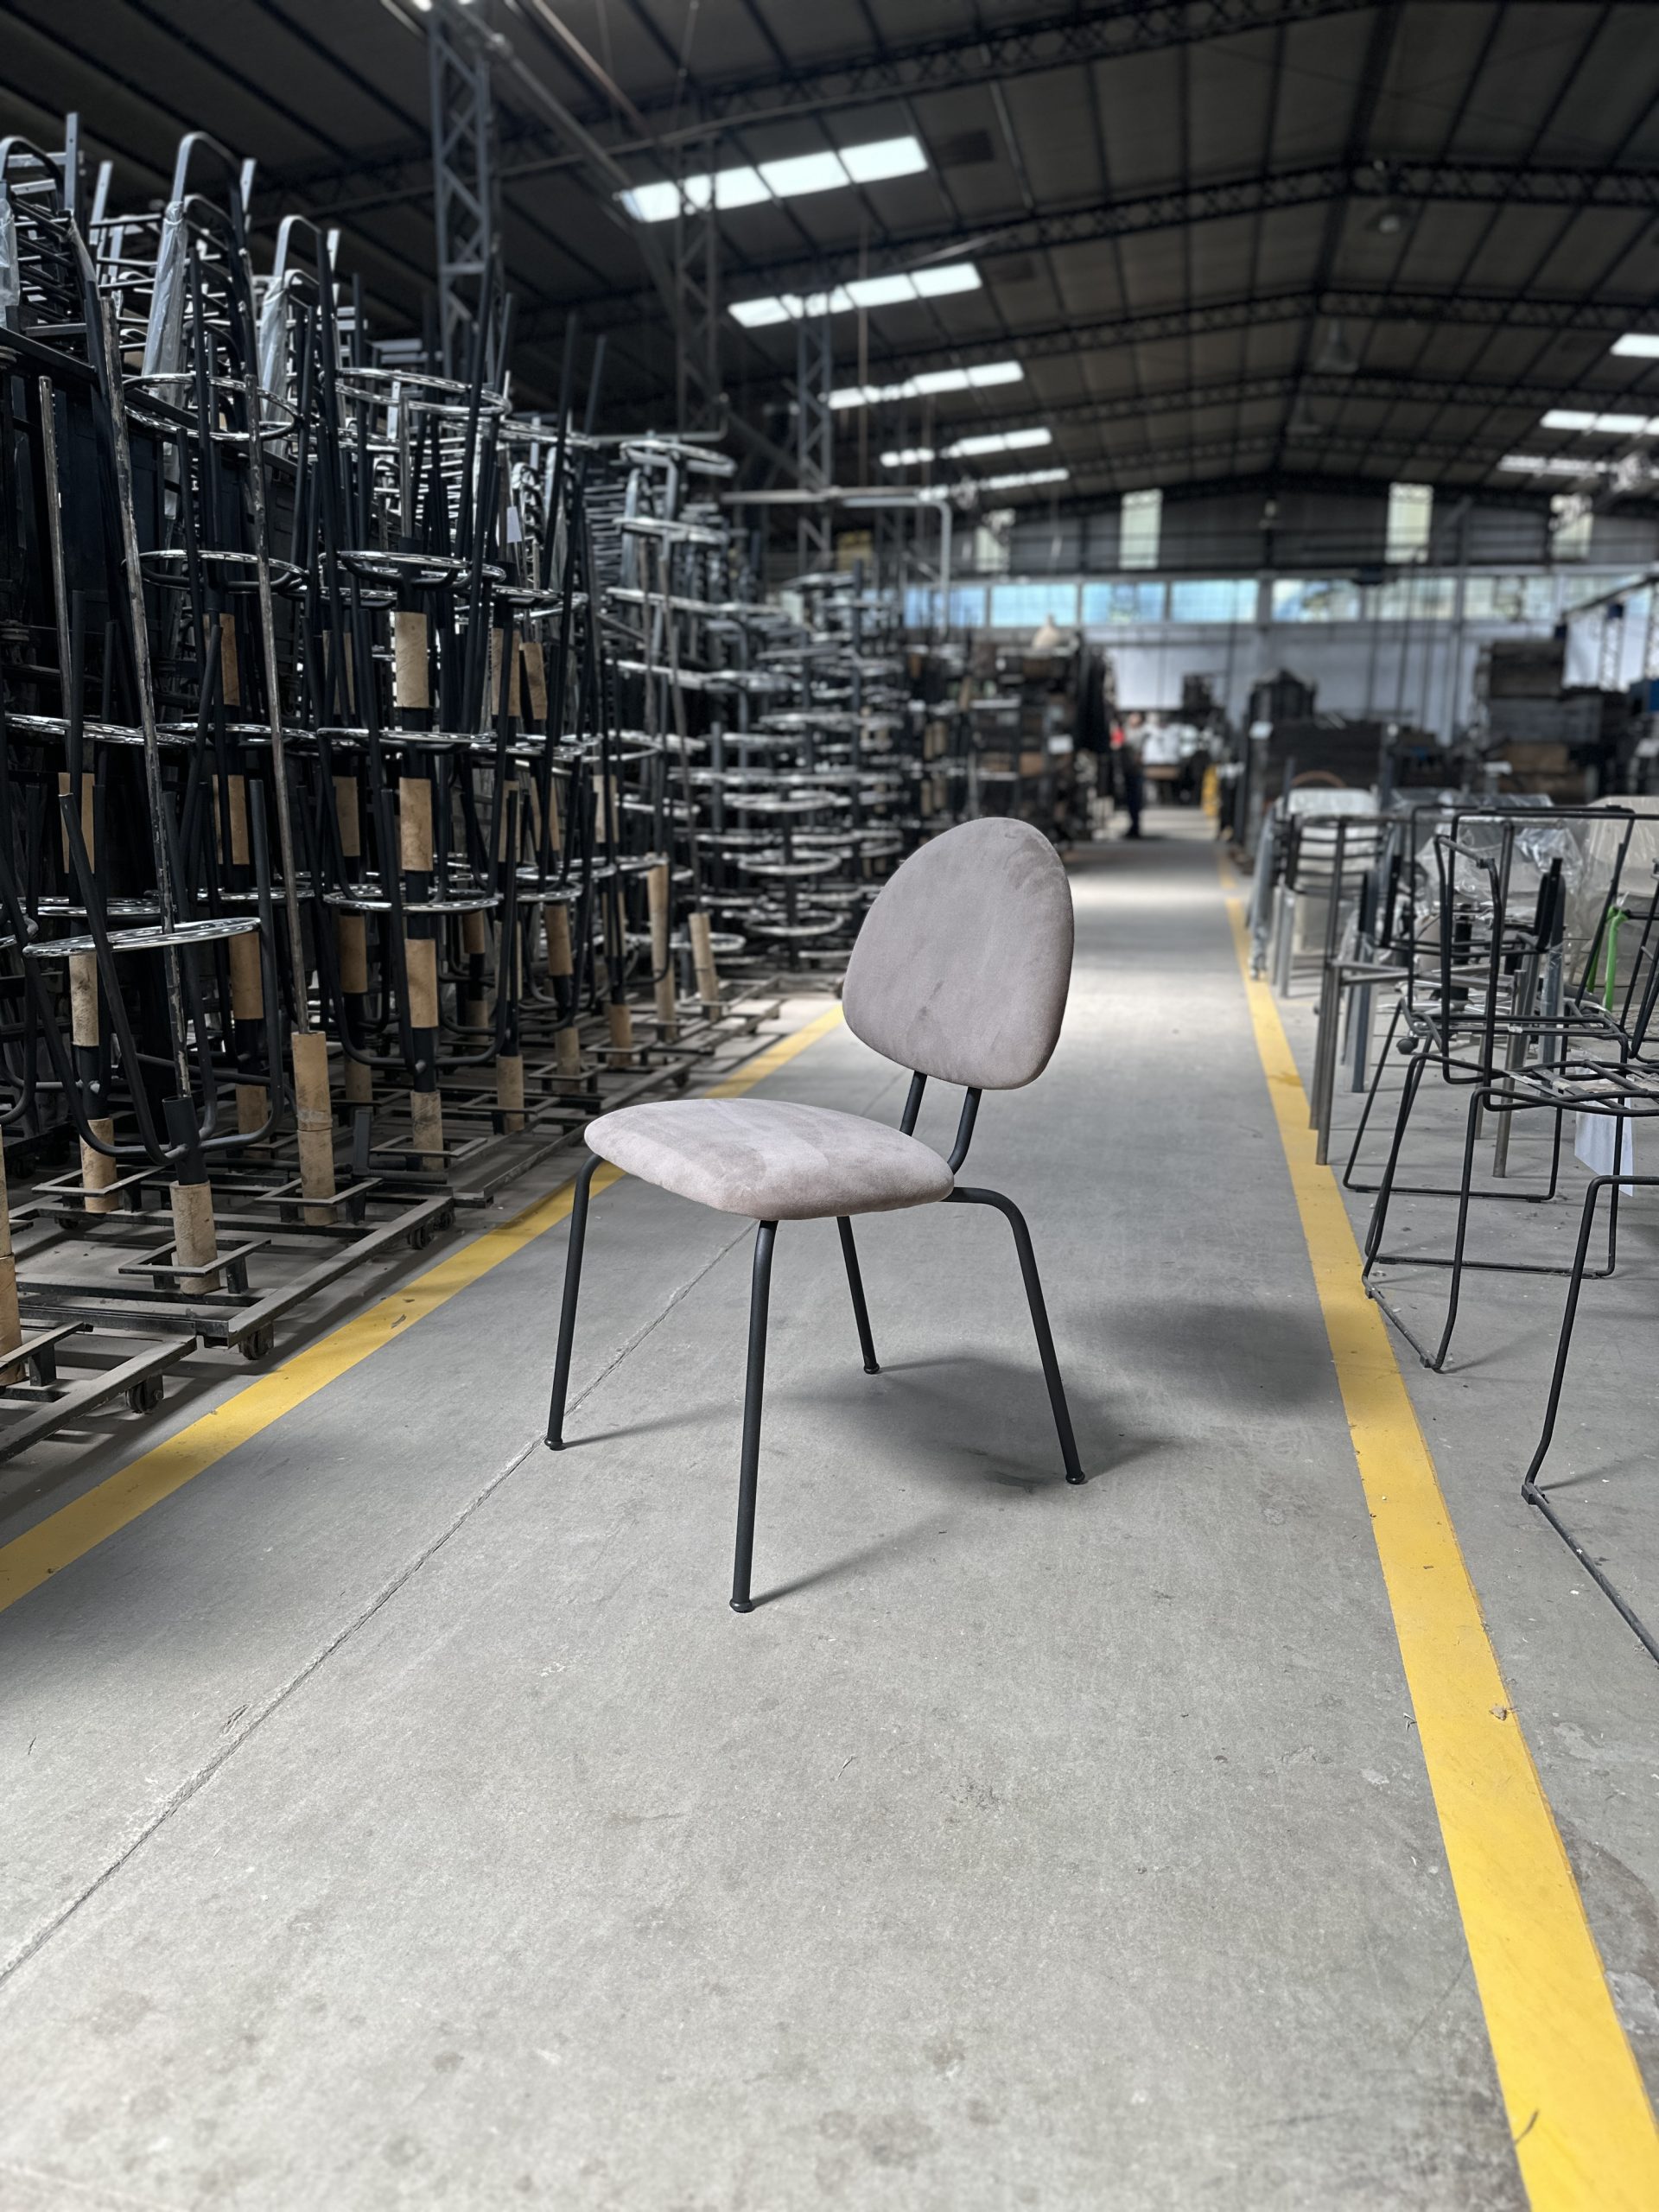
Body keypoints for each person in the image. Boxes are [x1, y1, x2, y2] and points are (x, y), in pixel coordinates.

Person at [1112, 710, 1146, 838]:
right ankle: (1133, 827)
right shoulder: (1125, 730)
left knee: (1135, 800)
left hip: (1134, 770)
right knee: (1130, 800)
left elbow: (1122, 744)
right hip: (1127, 769)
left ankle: (1135, 828)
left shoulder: (1139, 732)